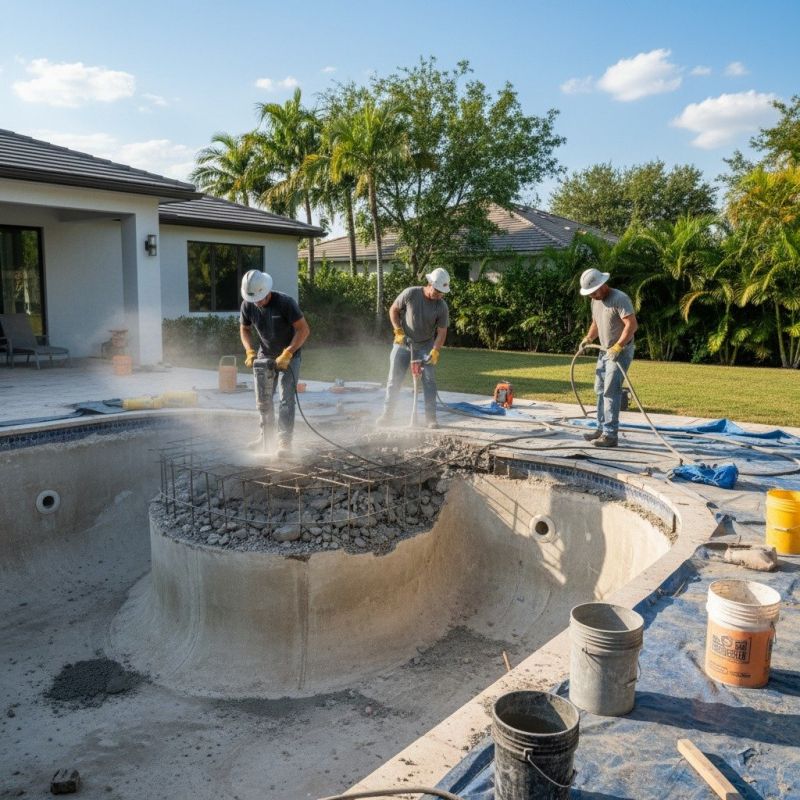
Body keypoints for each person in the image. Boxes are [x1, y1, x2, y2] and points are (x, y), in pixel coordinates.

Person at [240, 270, 310, 454]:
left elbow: (303, 330)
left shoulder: (285, 303)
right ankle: (265, 437)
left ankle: (284, 442)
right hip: (265, 355)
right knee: (264, 400)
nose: (257, 303)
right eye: (254, 299)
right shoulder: (248, 305)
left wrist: (287, 353)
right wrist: (249, 350)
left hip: (290, 355)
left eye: (260, 299)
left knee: (286, 399)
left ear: (267, 291)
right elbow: (244, 329)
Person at [377, 267, 450, 429]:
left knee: (429, 382)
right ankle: (387, 415)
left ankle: (431, 419)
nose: (439, 295)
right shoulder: (411, 294)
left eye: (442, 293)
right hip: (403, 344)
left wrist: (435, 350)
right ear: (430, 283)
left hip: (426, 346)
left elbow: (442, 332)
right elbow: (393, 310)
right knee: (393, 380)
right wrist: (398, 331)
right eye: (437, 291)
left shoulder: (441, 306)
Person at [578, 268, 638, 448]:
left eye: (594, 292)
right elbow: (596, 323)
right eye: (590, 294)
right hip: (604, 352)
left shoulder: (620, 299)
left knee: (611, 391)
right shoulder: (595, 302)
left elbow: (632, 325)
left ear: (602, 285)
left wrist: (618, 346)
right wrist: (588, 338)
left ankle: (610, 435)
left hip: (620, 352)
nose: (592, 296)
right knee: (599, 389)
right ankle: (600, 428)